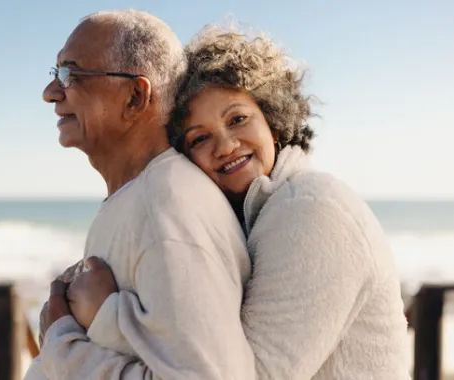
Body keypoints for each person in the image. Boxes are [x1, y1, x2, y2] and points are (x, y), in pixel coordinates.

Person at [71, 24, 413, 379]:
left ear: (274, 121)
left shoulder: (312, 210)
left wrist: (106, 317)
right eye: (199, 138)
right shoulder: (256, 216)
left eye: (237, 119)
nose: (225, 145)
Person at [23, 10, 256, 380]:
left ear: (134, 97)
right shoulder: (144, 196)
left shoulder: (167, 205)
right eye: (55, 75)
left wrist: (61, 343)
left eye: (70, 74)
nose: (51, 93)